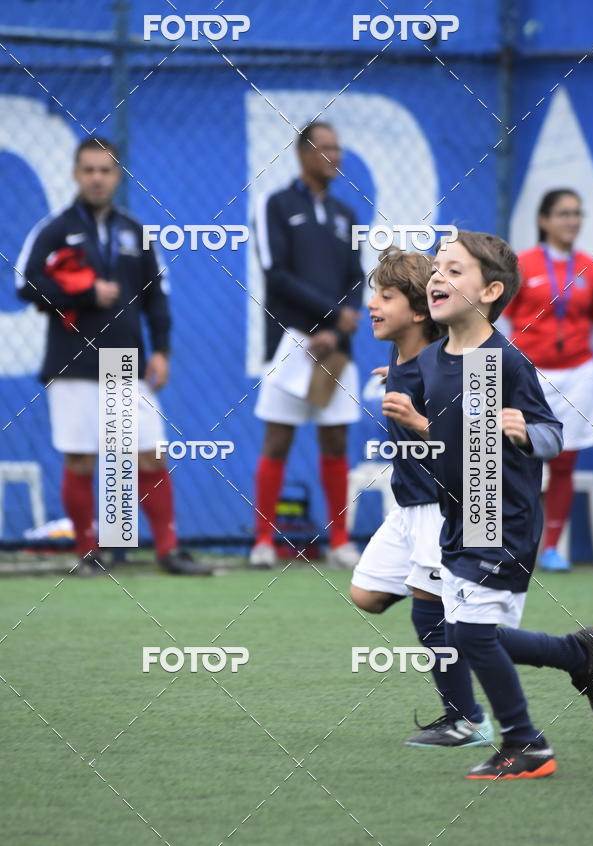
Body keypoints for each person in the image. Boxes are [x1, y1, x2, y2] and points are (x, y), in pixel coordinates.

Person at [392, 230, 593, 779]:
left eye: (455, 270)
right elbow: (454, 440)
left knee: (470, 635)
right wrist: (420, 425)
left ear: (492, 291)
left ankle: (525, 743)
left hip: (502, 516)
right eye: (438, 268)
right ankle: (582, 655)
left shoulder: (504, 361)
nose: (439, 277)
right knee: (461, 630)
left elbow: (554, 433)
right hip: (458, 517)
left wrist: (528, 432)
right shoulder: (435, 359)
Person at [16, 137, 211, 576]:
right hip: (73, 364)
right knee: (82, 458)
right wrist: (83, 293)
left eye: (105, 170)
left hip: (125, 362)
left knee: (149, 454)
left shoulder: (135, 231)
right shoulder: (54, 228)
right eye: (88, 170)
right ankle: (87, 553)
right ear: (75, 174)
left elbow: (157, 297)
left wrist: (161, 350)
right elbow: (24, 285)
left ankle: (168, 550)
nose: (97, 178)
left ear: (117, 175)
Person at [350, 248, 493, 748]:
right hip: (408, 504)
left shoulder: (447, 369)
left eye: (385, 297)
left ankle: (468, 720)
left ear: (417, 313)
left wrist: (420, 421)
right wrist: (400, 379)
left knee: (427, 609)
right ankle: (459, 612)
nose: (373, 305)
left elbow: (480, 447)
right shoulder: (402, 352)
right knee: (366, 596)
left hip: (444, 504)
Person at [251, 122, 364, 570]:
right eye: (327, 148)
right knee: (277, 439)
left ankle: (339, 542)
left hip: (335, 347)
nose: (336, 155)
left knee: (335, 440)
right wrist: (331, 317)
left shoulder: (346, 215)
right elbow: (275, 273)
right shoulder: (275, 206)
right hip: (289, 342)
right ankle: (262, 541)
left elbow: (356, 278)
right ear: (303, 154)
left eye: (339, 147)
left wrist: (337, 331)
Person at [505, 189, 593, 571]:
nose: (572, 221)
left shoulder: (589, 267)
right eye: (563, 213)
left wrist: (579, 358)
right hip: (529, 374)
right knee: (513, 456)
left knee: (564, 459)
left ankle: (552, 548)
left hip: (577, 372)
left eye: (577, 213)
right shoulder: (523, 265)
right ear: (544, 220)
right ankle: (509, 543)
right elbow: (501, 320)